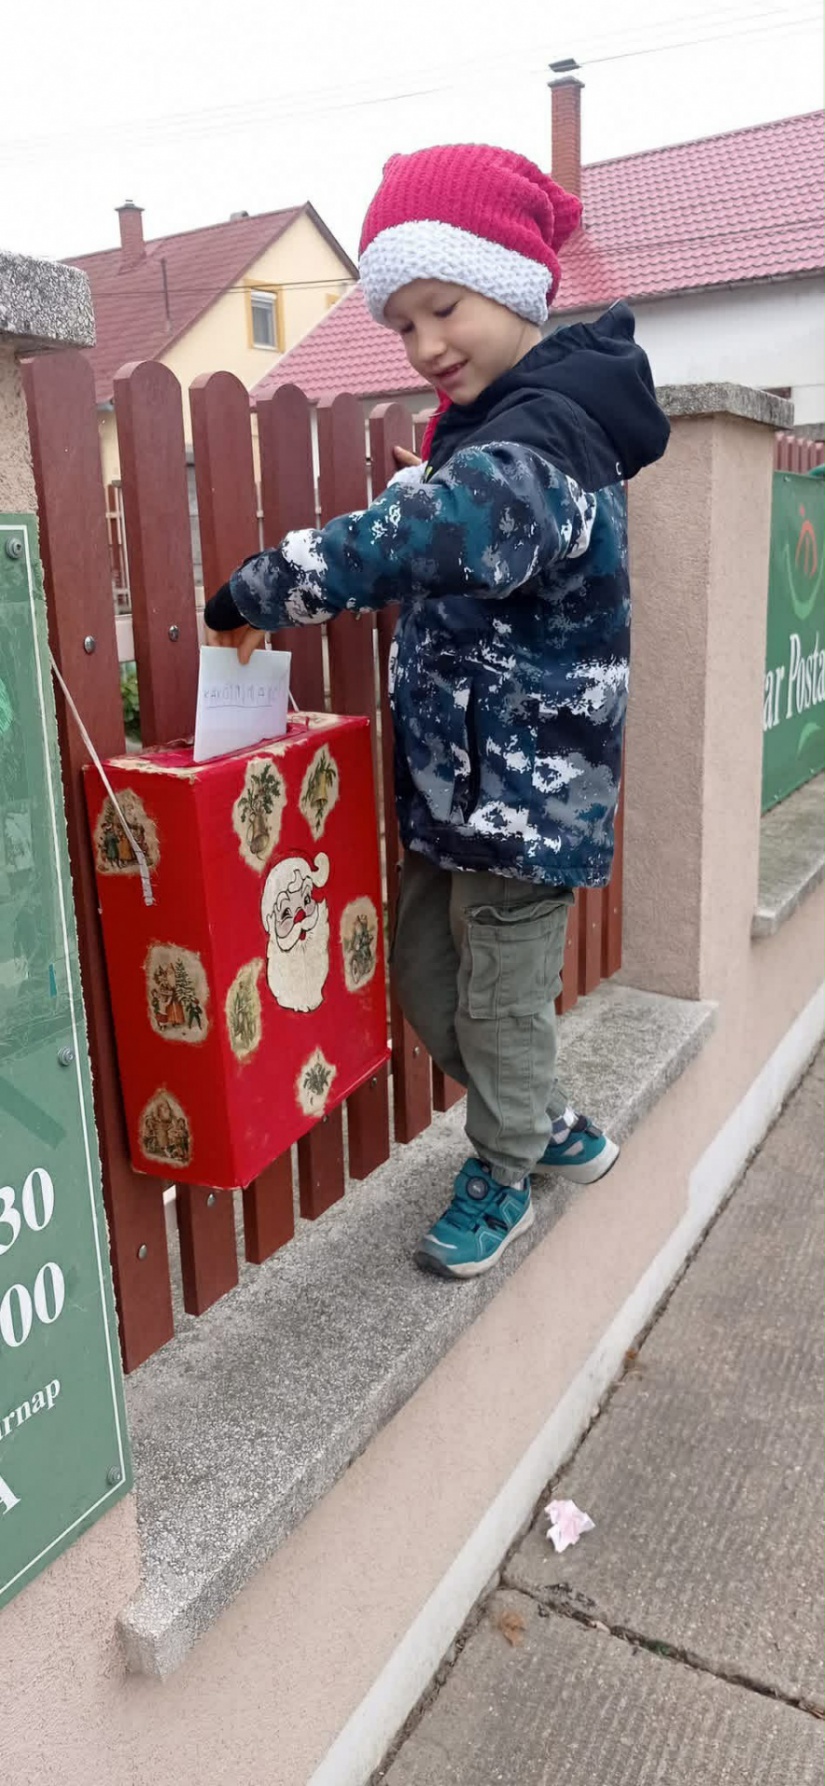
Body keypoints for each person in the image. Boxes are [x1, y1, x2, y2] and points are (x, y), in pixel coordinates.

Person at [204, 143, 670, 1280]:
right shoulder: (492, 434)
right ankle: (549, 1119)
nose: (423, 346)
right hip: (458, 794)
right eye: (402, 323)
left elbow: (444, 532)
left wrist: (268, 584)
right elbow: (448, 514)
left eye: (443, 308)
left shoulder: (549, 440)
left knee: (500, 1008)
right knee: (426, 981)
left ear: (513, 286)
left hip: (528, 805)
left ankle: (506, 1168)